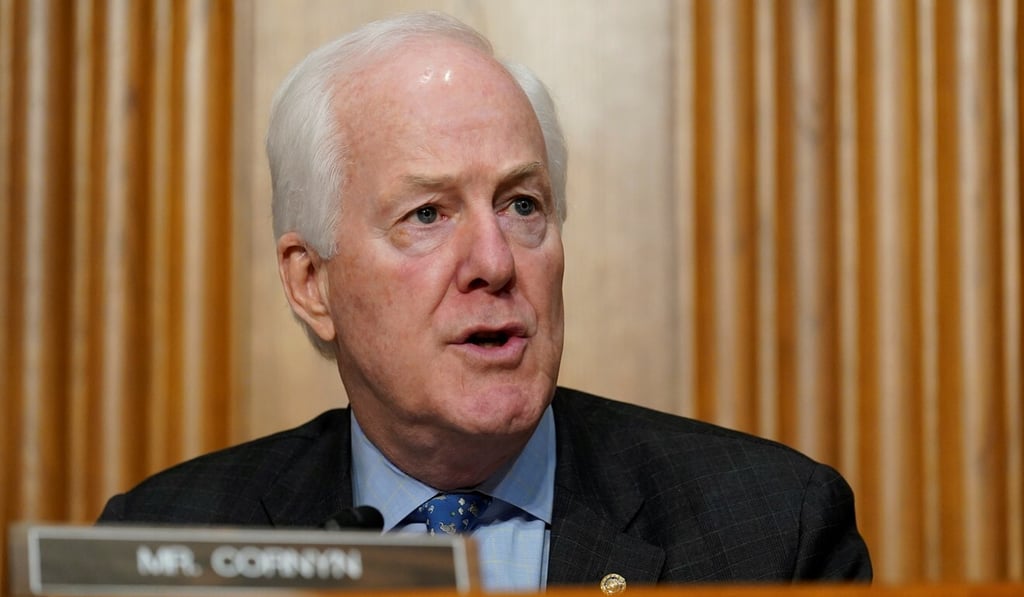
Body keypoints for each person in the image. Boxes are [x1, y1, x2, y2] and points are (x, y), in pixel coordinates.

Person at [98, 11, 872, 591]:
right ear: (311, 282)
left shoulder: (772, 532)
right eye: (427, 214)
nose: (495, 262)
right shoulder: (168, 543)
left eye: (522, 204)